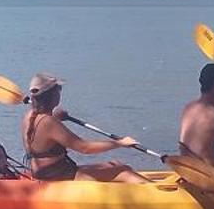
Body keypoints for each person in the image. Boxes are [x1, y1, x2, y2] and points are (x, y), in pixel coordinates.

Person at [20, 73, 148, 183]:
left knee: (116, 164)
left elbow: (43, 136)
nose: (60, 93)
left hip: (49, 172)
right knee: (123, 171)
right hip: (59, 175)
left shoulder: (29, 117)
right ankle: (162, 195)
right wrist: (120, 143)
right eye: (59, 89)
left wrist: (57, 117)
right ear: (52, 95)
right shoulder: (49, 122)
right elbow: (84, 148)